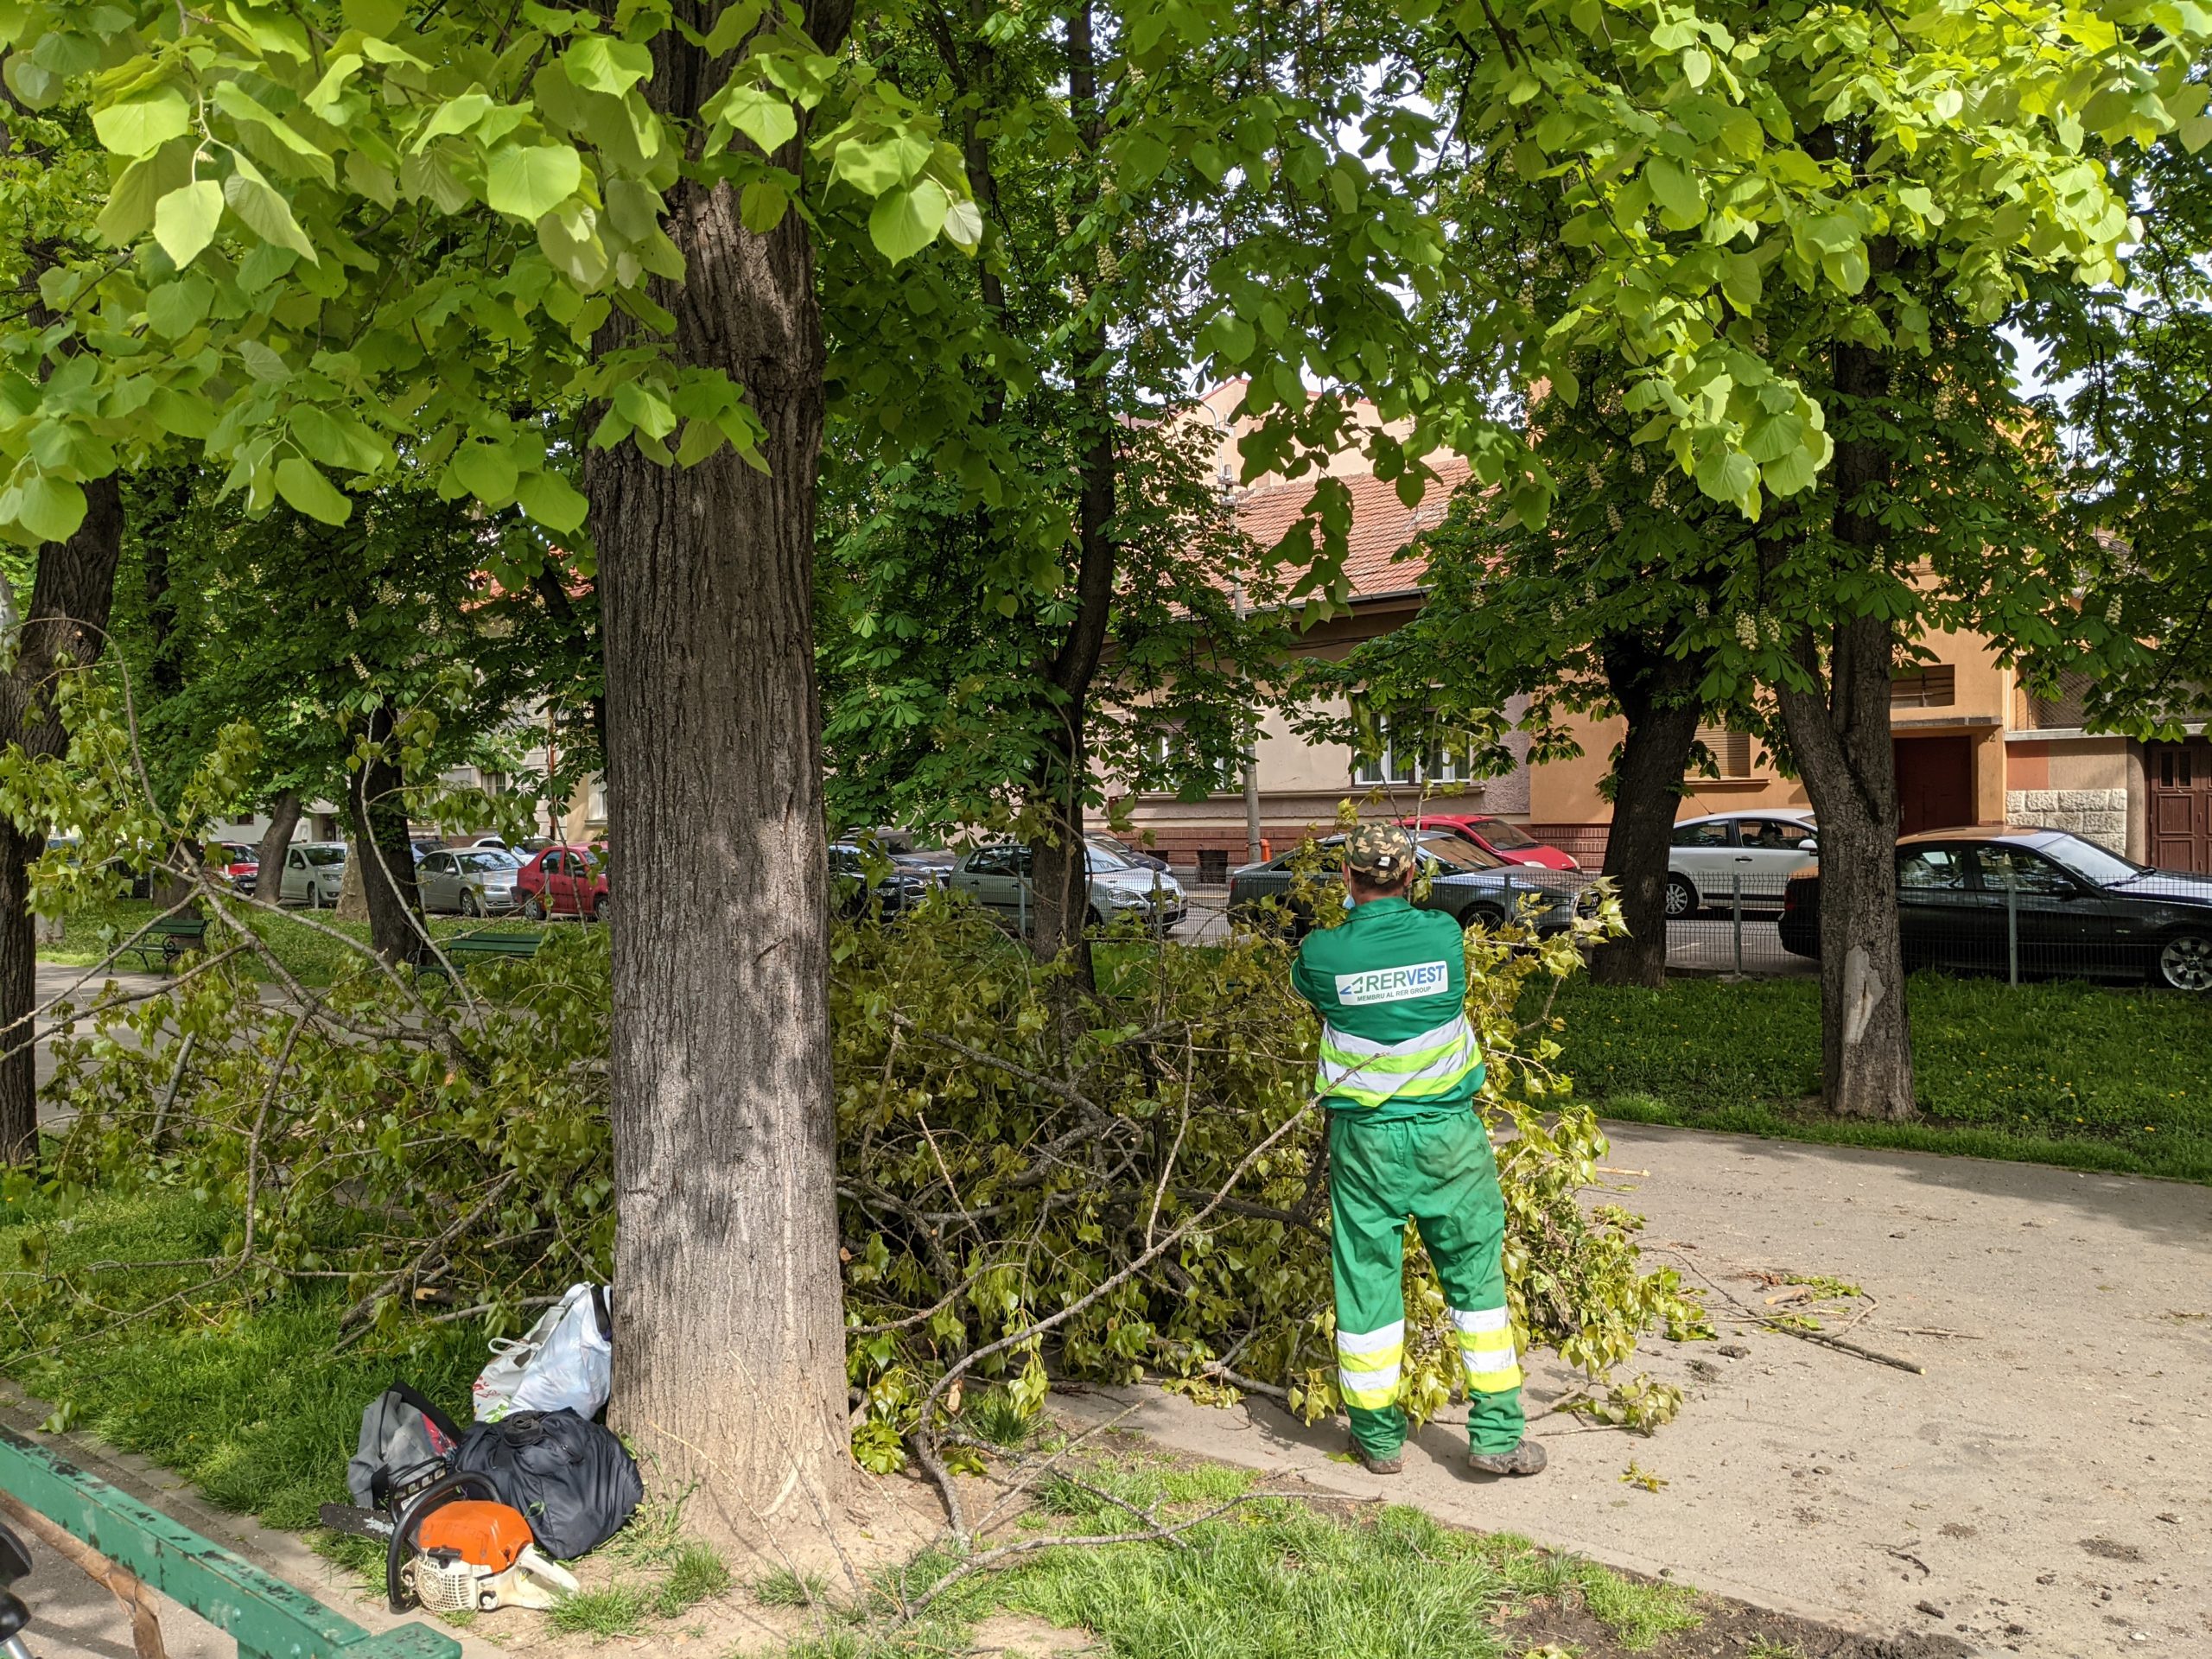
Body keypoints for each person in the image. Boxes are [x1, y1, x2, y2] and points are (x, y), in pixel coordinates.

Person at [1288, 822, 1546, 1478]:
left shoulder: (1321, 954)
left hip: (1366, 1145)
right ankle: (1495, 1436)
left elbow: (1313, 993)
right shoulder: (1444, 937)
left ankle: (1377, 1442)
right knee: (1476, 1282)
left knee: (1367, 1280)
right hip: (1448, 1138)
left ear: (1346, 879)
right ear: (1411, 878)